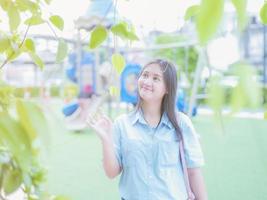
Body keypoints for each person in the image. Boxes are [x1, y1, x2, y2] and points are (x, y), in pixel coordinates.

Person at [87, 59, 208, 200]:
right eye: (144, 75)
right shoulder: (122, 124)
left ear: (167, 88)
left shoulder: (181, 123)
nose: (147, 81)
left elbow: (193, 172)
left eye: (156, 78)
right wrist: (106, 139)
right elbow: (112, 173)